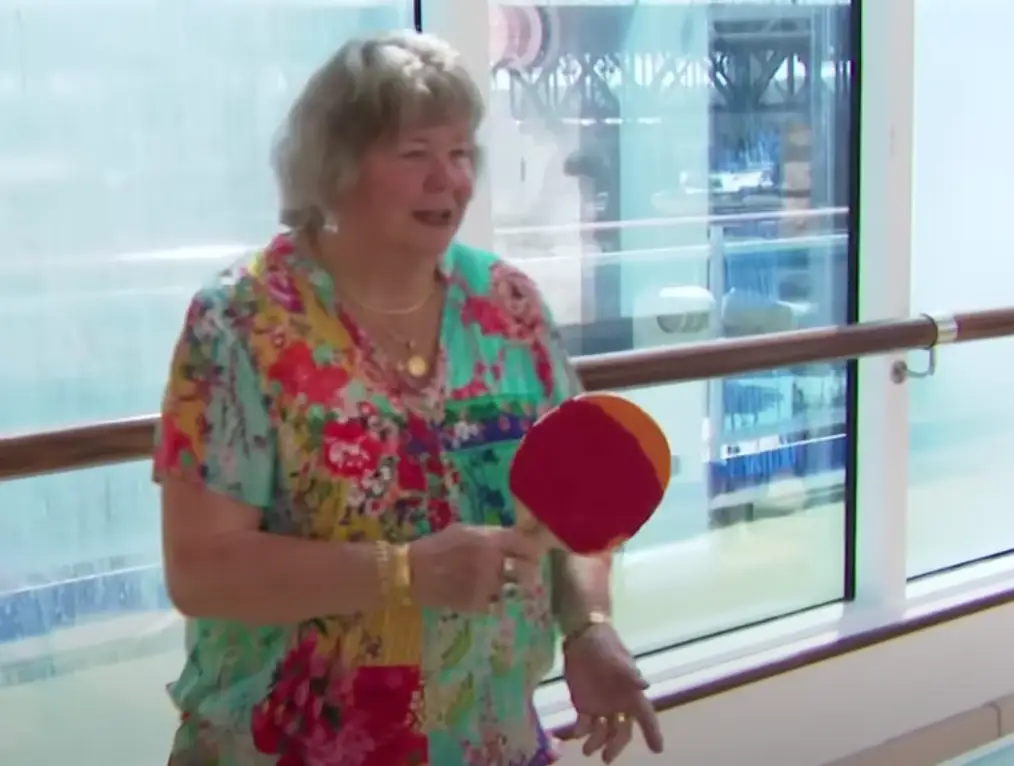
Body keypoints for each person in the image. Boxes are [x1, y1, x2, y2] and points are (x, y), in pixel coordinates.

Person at [154, 30, 663, 766]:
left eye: (460, 154)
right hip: (285, 748)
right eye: (416, 153)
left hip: (492, 741)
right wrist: (402, 573)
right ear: (335, 168)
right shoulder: (242, 325)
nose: (449, 179)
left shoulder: (509, 307)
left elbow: (572, 516)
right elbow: (201, 570)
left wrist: (589, 628)